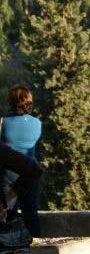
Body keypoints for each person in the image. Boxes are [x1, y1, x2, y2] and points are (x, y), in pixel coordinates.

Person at [1, 85, 42, 236]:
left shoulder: (2, 121)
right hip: (31, 172)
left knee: (7, 213)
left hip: (8, 173)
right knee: (31, 213)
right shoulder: (38, 124)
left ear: (11, 101)